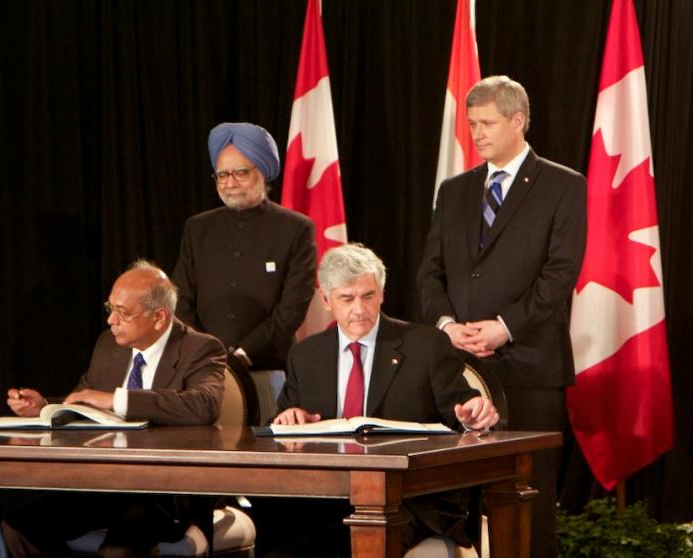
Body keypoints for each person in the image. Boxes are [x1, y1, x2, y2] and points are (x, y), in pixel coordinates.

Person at [417, 75, 587, 558]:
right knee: (459, 501)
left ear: (517, 121)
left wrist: (504, 327)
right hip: (460, 369)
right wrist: (449, 326)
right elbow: (429, 273)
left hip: (530, 367)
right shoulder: (454, 190)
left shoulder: (563, 186)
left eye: (487, 123)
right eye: (472, 124)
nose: (478, 134)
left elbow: (559, 276)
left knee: (529, 503)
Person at [255, 243, 498, 557]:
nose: (359, 309)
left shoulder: (426, 346)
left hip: (409, 499)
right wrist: (288, 418)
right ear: (327, 300)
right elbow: (280, 424)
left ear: (382, 293)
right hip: (327, 497)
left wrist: (474, 416)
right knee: (276, 523)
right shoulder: (305, 355)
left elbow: (463, 412)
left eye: (368, 296)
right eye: (347, 298)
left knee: (360, 534)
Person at [1, 259, 226, 558]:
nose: (111, 321)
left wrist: (119, 399)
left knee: (119, 550)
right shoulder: (109, 345)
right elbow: (87, 401)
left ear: (159, 317)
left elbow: (205, 405)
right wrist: (46, 407)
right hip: (101, 483)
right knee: (19, 524)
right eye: (111, 309)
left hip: (163, 491)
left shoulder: (200, 348)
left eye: (123, 313)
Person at [173, 122, 317, 373]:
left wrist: (245, 354)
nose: (229, 183)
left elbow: (292, 307)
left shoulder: (295, 228)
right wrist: (205, 352)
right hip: (202, 367)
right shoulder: (197, 228)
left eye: (240, 172)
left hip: (269, 367)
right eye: (222, 174)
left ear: (262, 171)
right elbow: (181, 298)